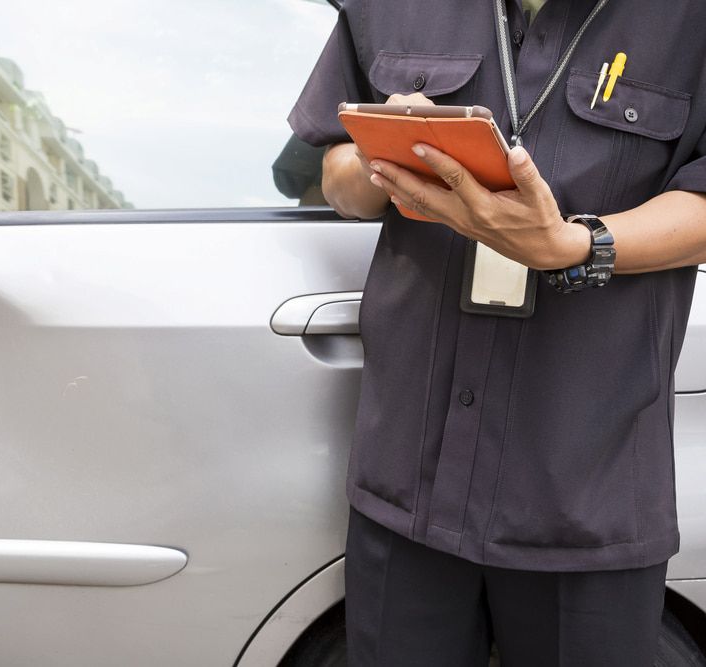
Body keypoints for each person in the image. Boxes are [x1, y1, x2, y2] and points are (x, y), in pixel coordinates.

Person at [288, 0, 706, 665]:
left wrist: (575, 244)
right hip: (406, 488)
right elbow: (328, 169)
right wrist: (383, 162)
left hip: (585, 497)